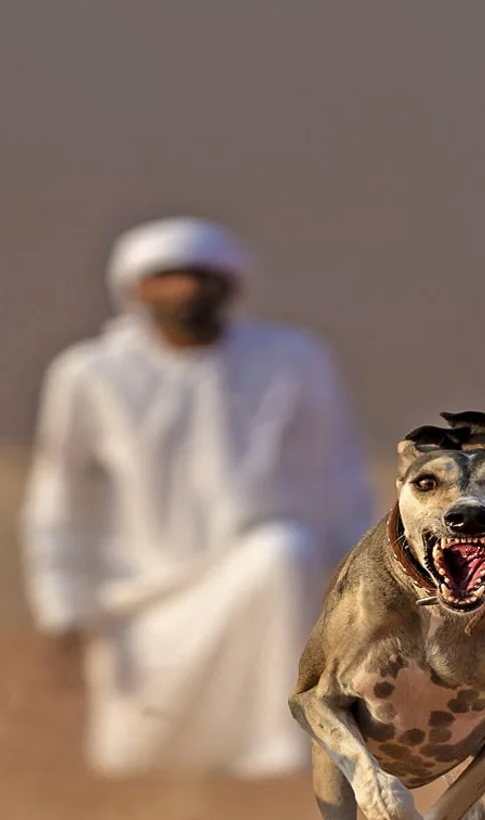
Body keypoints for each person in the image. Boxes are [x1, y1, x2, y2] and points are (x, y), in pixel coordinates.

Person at [21, 217, 374, 777]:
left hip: (258, 584)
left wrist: (370, 595)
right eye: (167, 277)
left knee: (284, 552)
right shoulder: (88, 374)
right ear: (135, 289)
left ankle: (280, 769)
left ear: (230, 287)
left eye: (201, 276)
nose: (185, 290)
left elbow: (338, 476)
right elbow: (59, 497)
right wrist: (61, 605)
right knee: (134, 763)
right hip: (139, 599)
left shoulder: (294, 361)